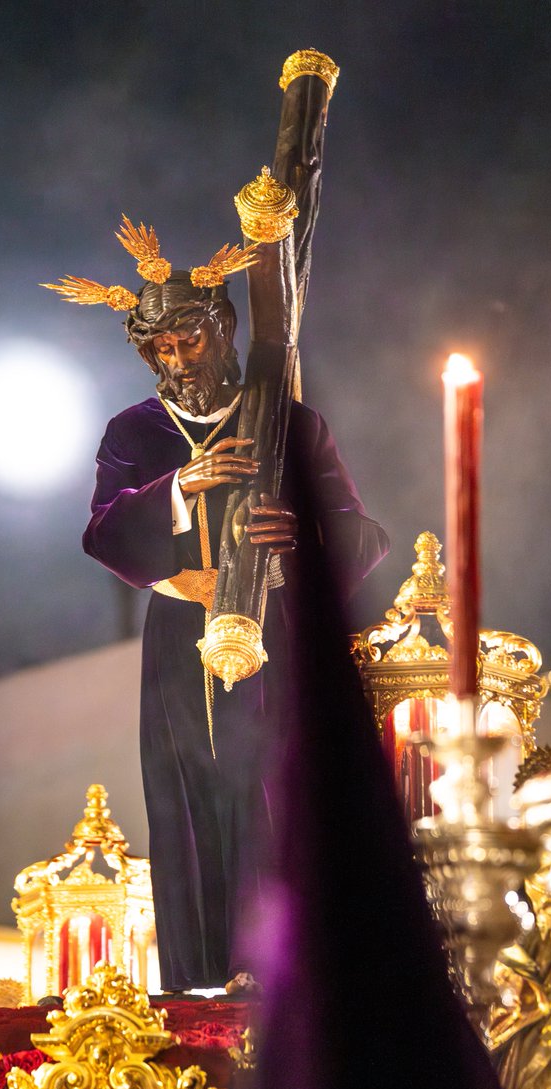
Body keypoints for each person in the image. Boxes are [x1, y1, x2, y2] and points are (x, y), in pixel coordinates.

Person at [79, 266, 388, 994]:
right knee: (185, 798)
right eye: (162, 351)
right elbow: (101, 532)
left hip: (274, 636)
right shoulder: (134, 431)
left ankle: (289, 984)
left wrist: (303, 535)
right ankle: (195, 985)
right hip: (180, 637)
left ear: (223, 331)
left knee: (275, 790)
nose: (179, 362)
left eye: (190, 341)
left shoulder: (289, 420)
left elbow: (363, 532)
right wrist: (180, 488)